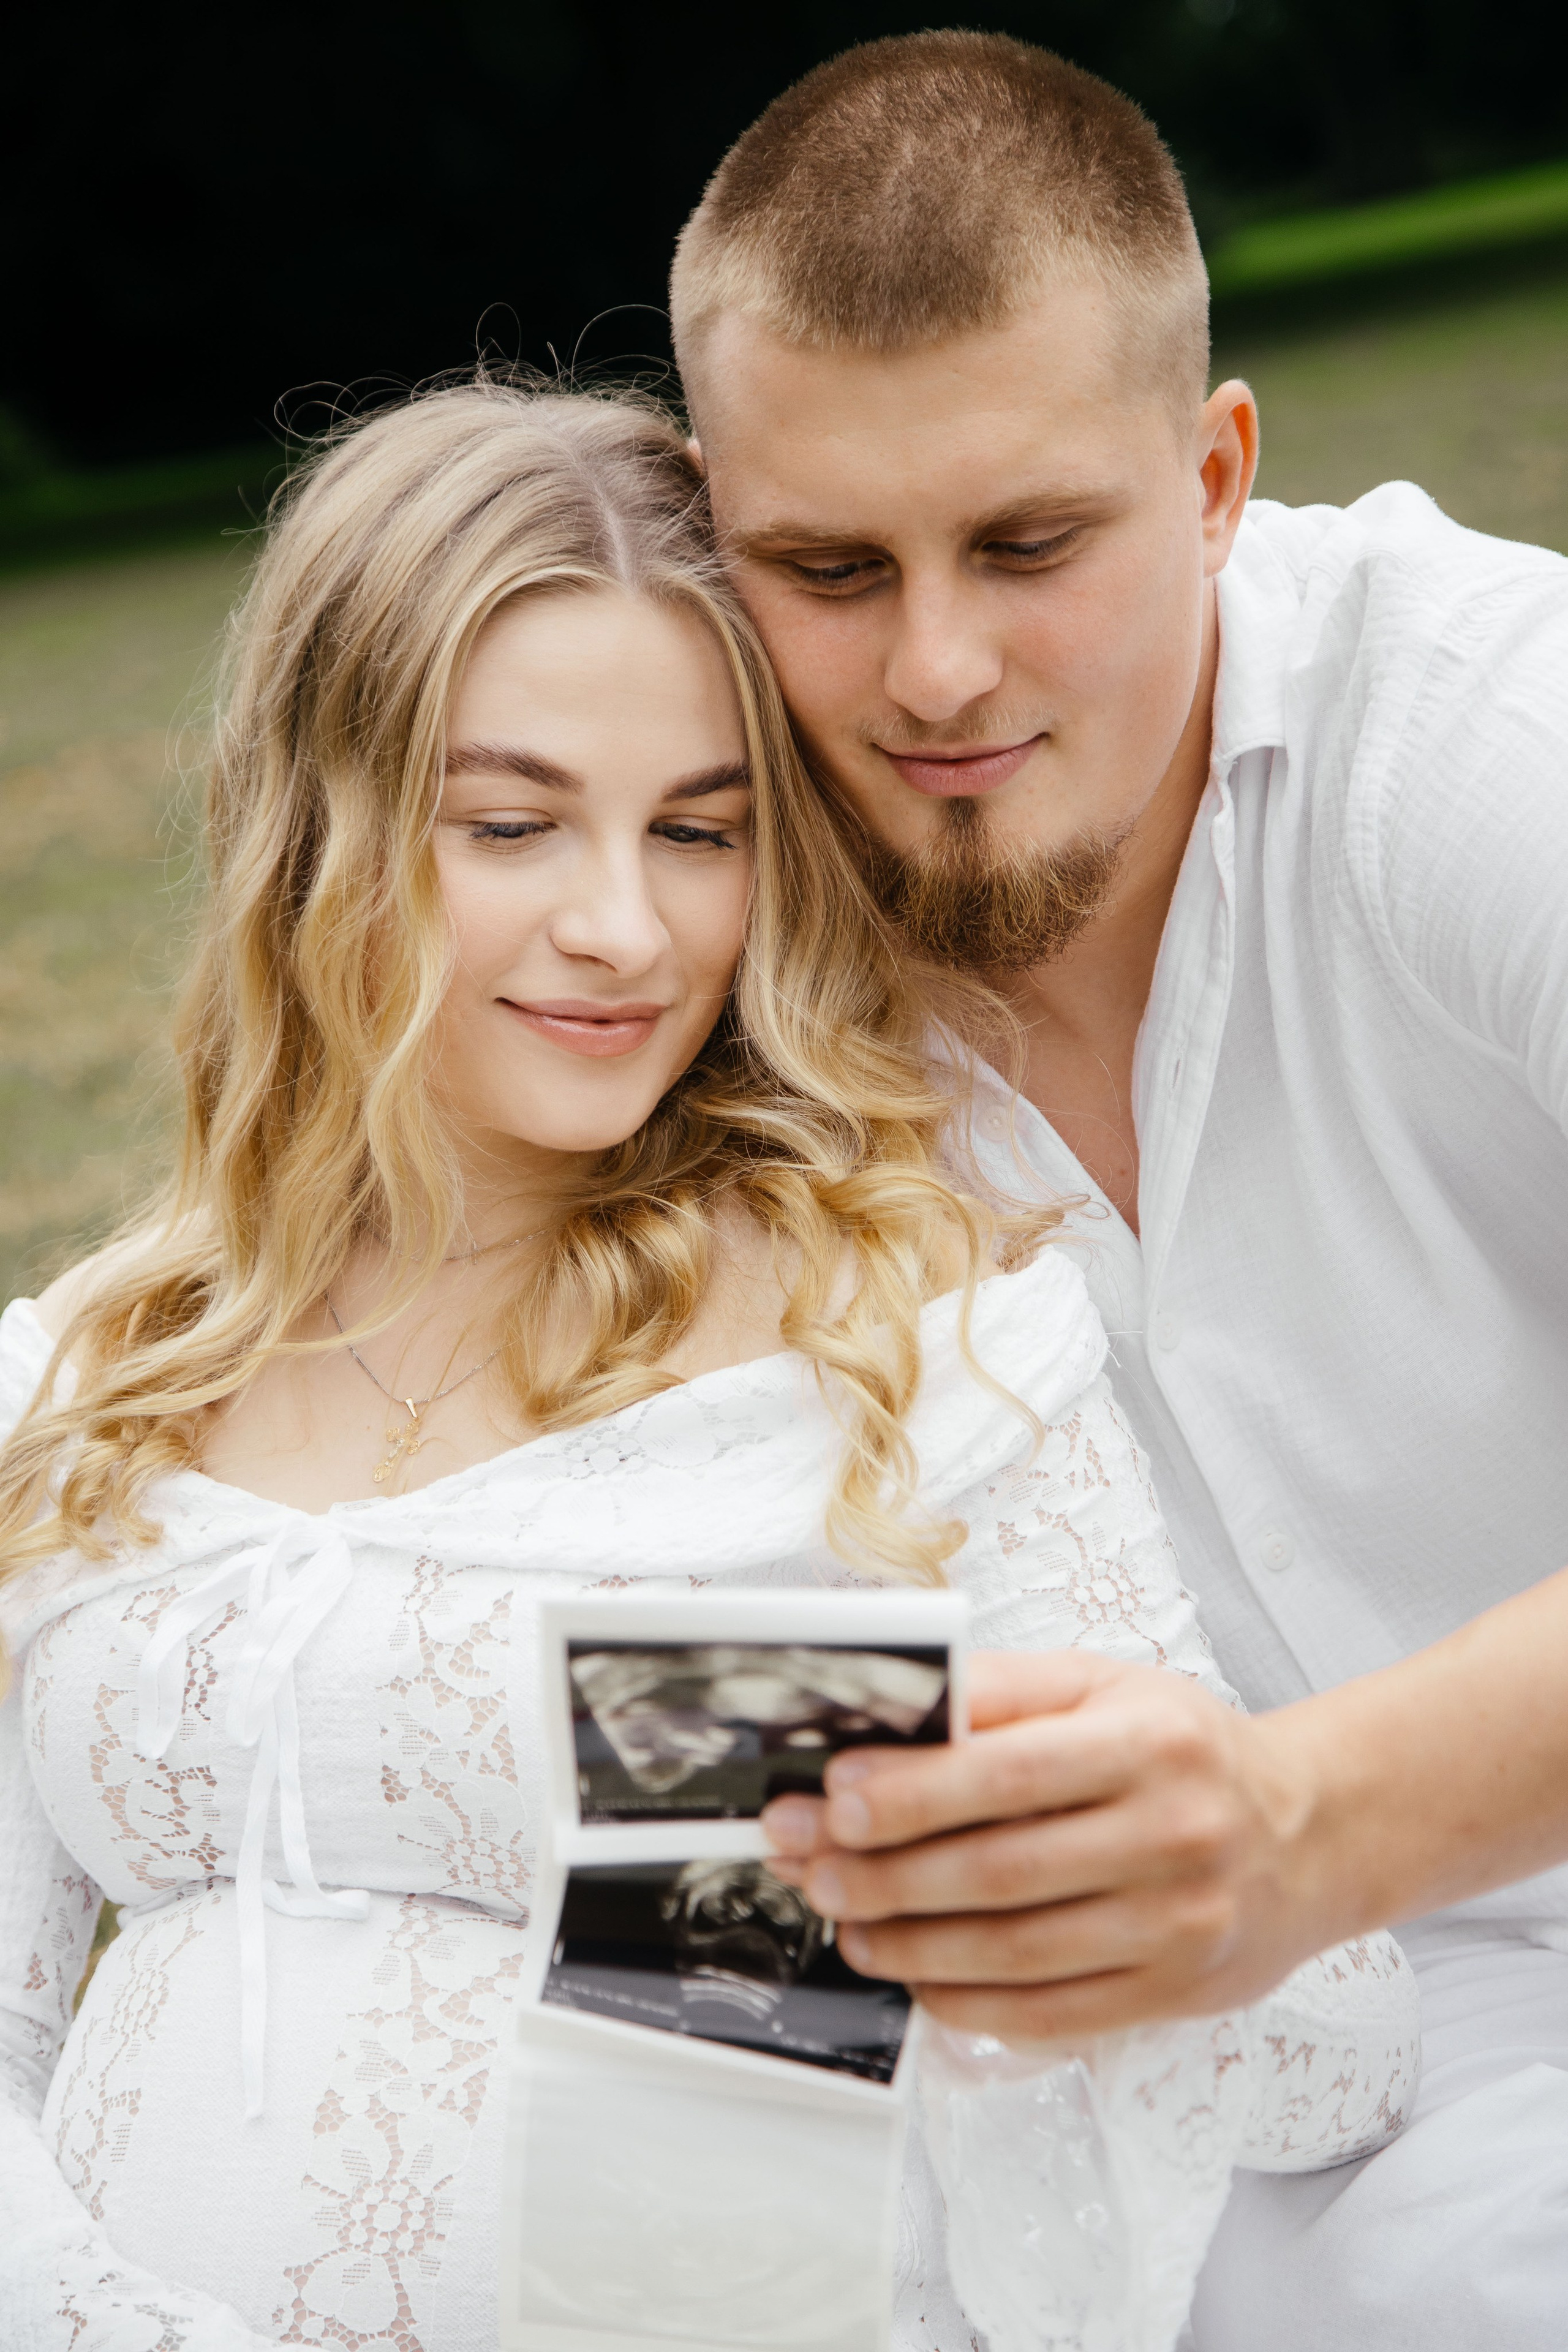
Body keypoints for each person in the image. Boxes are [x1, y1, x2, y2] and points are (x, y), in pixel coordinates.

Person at [0, 382, 1414, 2351]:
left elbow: (1317, 2031)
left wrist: (829, 1835)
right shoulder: (81, 1379)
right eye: (511, 825)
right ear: (315, 831)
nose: (619, 930)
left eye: (697, 833)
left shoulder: (903, 1336)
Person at [670, 29, 1568, 2347]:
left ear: (1216, 477)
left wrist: (1311, 1828)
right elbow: (658, 1666)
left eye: (1031, 545)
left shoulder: (1492, 747)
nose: (938, 671)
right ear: (708, 522)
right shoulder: (662, 942)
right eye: (829, 568)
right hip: (1143, 2132)